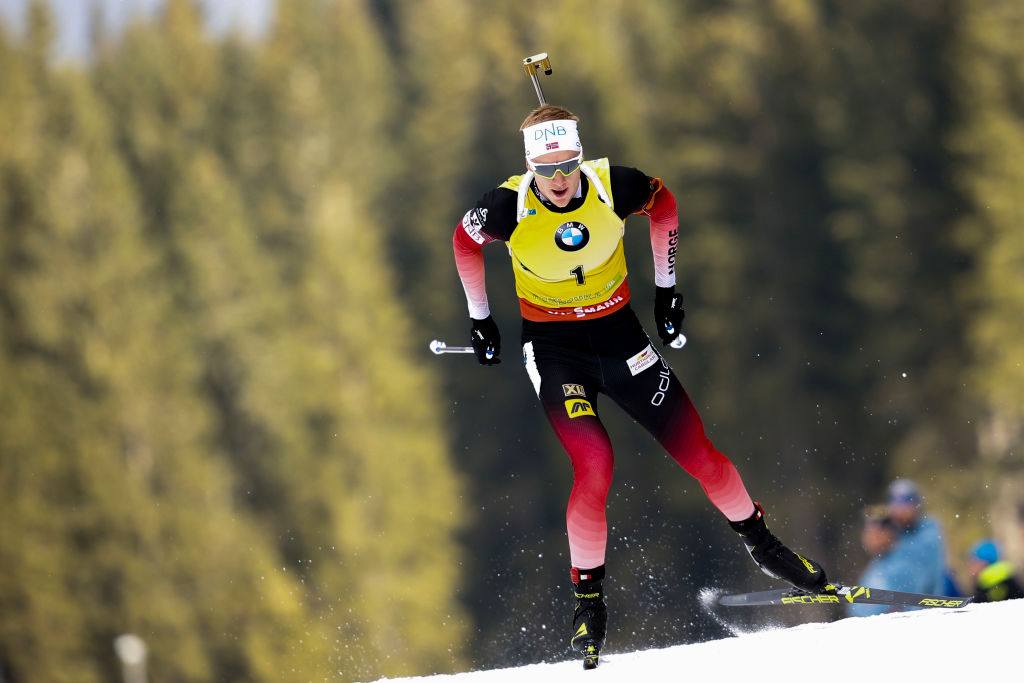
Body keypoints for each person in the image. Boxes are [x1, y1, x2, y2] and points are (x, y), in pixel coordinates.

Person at [451, 104, 828, 668]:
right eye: (546, 170)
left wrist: (667, 291)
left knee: (699, 453)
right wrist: (481, 319)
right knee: (594, 464)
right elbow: (463, 241)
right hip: (555, 352)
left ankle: (763, 544)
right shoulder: (507, 205)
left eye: (567, 166)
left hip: (620, 335)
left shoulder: (613, 184)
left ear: (580, 158)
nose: (558, 181)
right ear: (529, 168)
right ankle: (588, 604)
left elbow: (666, 207)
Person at [846, 505, 923, 617]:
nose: (872, 537)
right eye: (868, 531)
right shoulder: (876, 565)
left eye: (877, 531)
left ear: (891, 531)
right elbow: (857, 609)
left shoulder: (905, 563)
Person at [885, 478, 954, 597]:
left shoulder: (929, 529)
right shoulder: (890, 532)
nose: (901, 508)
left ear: (917, 504)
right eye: (895, 501)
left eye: (906, 501)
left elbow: (925, 573)